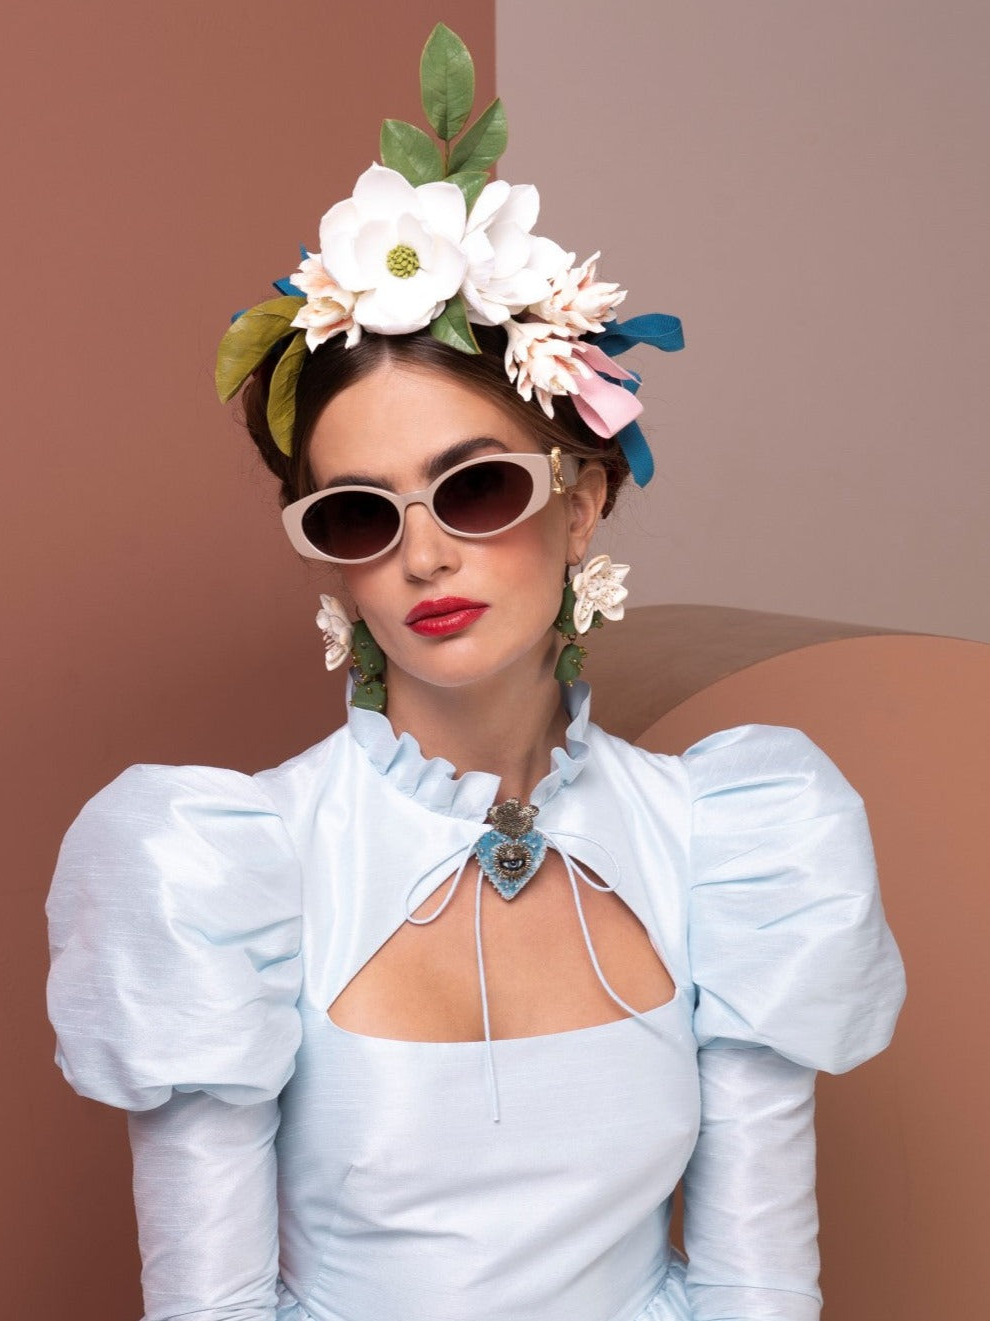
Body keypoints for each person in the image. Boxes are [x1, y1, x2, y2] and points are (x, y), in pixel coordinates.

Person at [45, 25, 905, 1321]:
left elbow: (755, 1285)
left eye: (479, 485)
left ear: (584, 500)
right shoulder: (233, 871)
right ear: (330, 563)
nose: (427, 554)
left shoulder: (731, 847)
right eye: (359, 514)